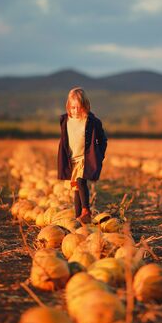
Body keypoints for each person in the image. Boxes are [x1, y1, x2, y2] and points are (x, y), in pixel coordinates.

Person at [57, 87, 107, 224]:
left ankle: (86, 210)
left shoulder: (91, 121)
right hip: (72, 159)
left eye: (79, 107)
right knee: (75, 188)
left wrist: (99, 155)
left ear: (85, 105)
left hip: (85, 159)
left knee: (80, 181)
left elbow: (103, 139)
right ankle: (79, 217)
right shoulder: (65, 121)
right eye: (73, 107)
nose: (76, 111)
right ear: (68, 106)